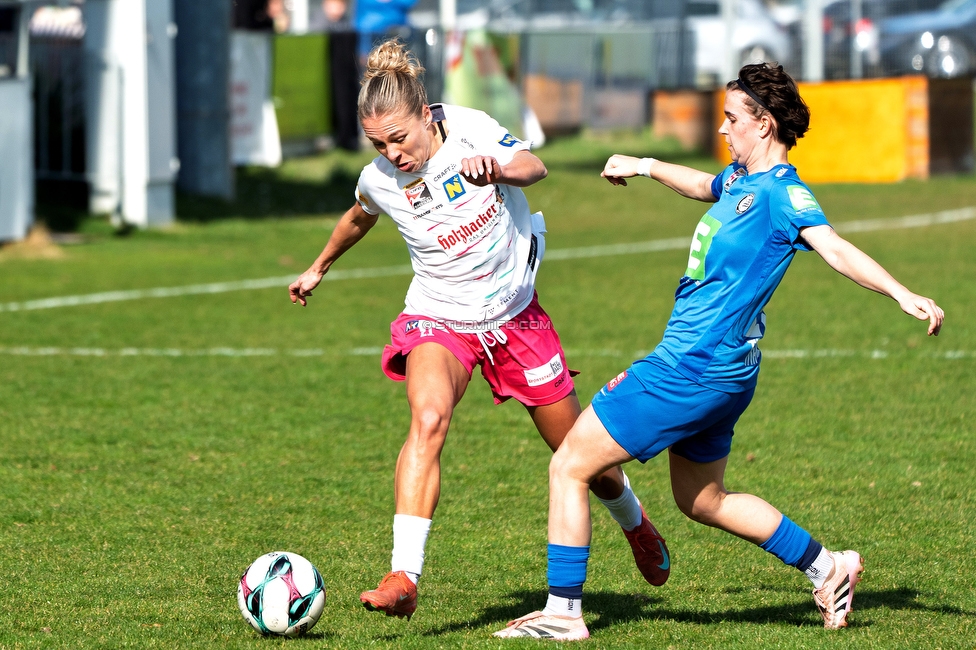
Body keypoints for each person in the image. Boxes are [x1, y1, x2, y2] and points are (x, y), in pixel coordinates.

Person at [494, 62, 945, 641]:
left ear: (766, 123)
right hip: (726, 373)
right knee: (702, 498)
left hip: (689, 369)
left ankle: (562, 612)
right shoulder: (740, 182)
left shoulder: (784, 193)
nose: (724, 130)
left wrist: (902, 293)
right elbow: (703, 185)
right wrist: (646, 165)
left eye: (733, 119)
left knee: (570, 463)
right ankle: (828, 566)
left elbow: (832, 246)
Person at [288, 39, 671, 621]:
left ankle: (635, 521)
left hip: (515, 318)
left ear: (425, 114)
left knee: (582, 457)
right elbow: (359, 213)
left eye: (400, 138)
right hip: (439, 316)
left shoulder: (470, 130)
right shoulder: (380, 176)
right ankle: (403, 574)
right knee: (428, 417)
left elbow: (533, 167)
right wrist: (319, 265)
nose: (394, 154)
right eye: (379, 145)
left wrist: (497, 166)